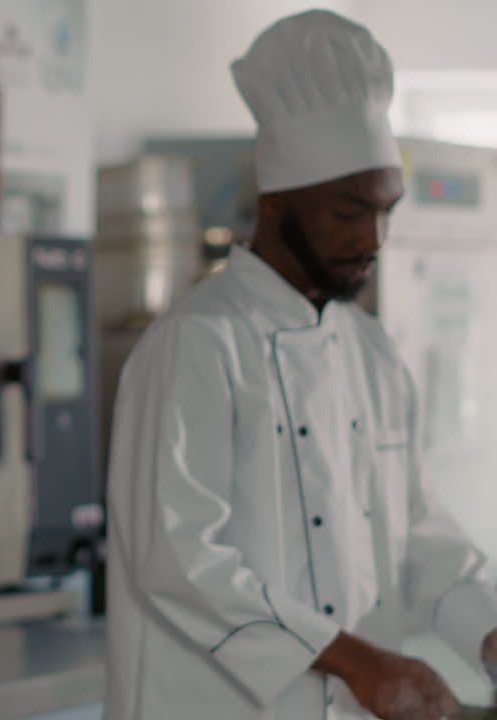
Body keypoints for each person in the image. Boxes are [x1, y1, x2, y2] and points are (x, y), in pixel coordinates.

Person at [104, 10, 497, 720]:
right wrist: (357, 659)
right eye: (349, 210)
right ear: (278, 199)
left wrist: (490, 634)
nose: (372, 238)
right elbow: (179, 559)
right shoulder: (196, 344)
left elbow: (423, 537)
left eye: (386, 210)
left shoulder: (373, 356)